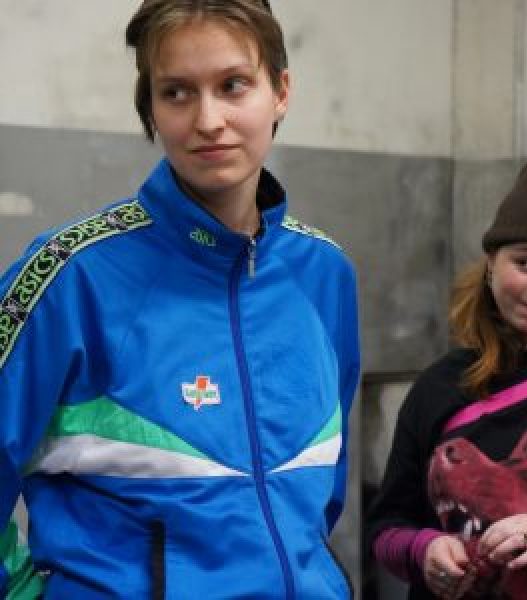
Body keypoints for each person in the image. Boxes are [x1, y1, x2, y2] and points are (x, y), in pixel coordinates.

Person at [0, 1, 360, 598]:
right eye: (177, 93)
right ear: (151, 109)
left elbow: (319, 497)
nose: (209, 119)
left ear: (281, 92)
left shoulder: (325, 273)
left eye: (233, 85)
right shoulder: (68, 274)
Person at [366, 155, 527, 599]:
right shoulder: (438, 386)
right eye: (525, 263)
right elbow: (386, 529)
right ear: (492, 262)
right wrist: (423, 549)